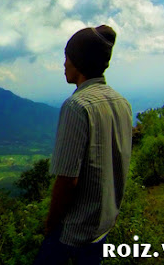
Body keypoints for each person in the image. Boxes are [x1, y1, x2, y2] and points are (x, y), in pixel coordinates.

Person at [34, 25, 133, 264]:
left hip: (72, 237)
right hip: (102, 230)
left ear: (78, 61)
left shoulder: (77, 106)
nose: (64, 64)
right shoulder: (122, 103)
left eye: (67, 57)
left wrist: (50, 226)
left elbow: (67, 180)